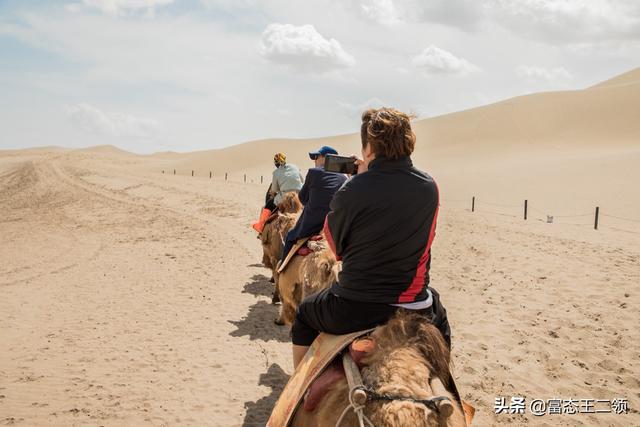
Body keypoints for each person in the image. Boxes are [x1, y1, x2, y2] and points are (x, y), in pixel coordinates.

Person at [290, 108, 452, 369]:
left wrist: (360, 180)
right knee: (440, 320)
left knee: (304, 314)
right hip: (416, 308)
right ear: (409, 143)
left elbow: (336, 248)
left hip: (355, 307)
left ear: (368, 149)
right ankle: (447, 389)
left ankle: (298, 393)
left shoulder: (351, 189)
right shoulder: (429, 186)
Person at [279, 146, 347, 265]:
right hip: (335, 224)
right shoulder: (343, 177)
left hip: (313, 223)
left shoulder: (314, 172)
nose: (314, 160)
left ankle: (281, 274)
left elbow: (302, 198)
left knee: (290, 236)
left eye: (316, 157)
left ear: (326, 158)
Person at [252, 152, 304, 233]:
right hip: (299, 195)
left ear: (275, 163)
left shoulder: (276, 172)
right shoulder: (295, 167)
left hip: (285, 196)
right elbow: (302, 181)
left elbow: (274, 189)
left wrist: (274, 193)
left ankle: (261, 226)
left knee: (269, 205)